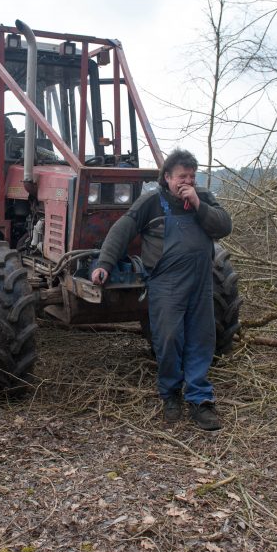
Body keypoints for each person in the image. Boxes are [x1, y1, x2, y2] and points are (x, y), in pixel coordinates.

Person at [91, 149, 232, 431]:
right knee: (168, 340)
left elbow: (224, 226)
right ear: (167, 177)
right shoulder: (151, 203)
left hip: (201, 282)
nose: (187, 181)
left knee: (201, 339)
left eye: (192, 176)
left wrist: (198, 204)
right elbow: (122, 231)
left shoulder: (203, 198)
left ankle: (200, 400)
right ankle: (170, 394)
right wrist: (105, 263)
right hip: (166, 283)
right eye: (182, 176)